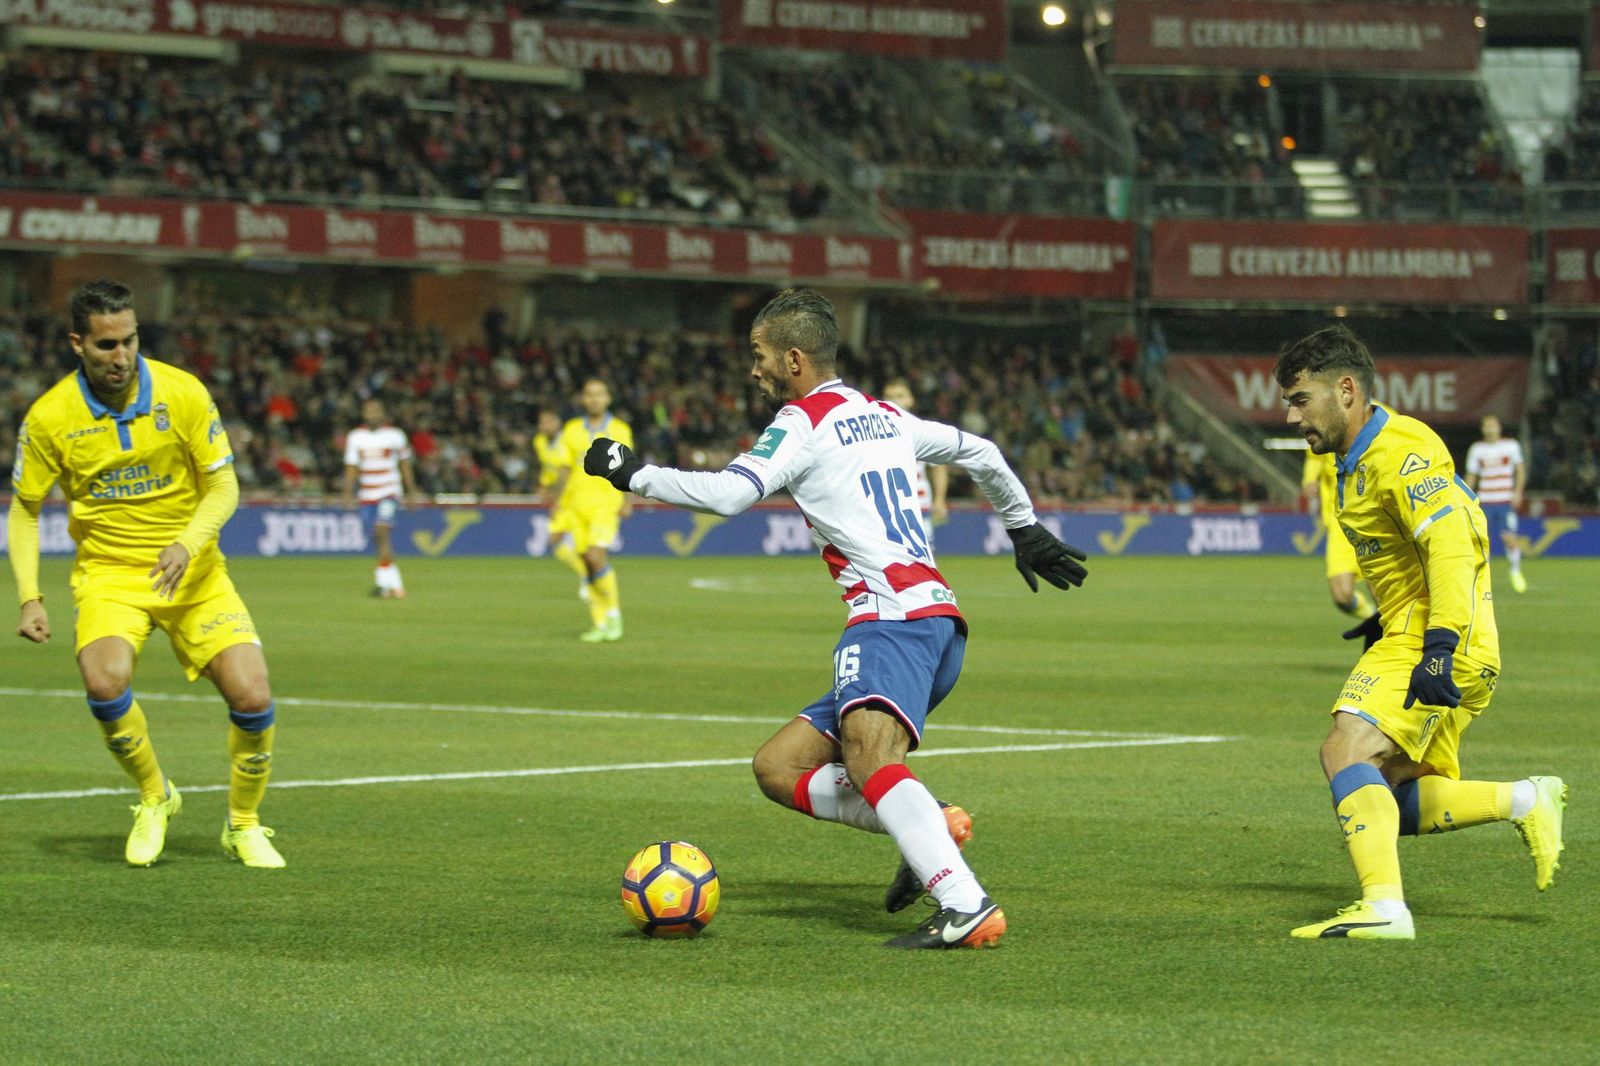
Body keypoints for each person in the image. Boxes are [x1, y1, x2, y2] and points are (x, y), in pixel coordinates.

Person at [582, 289, 1088, 948]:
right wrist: (1024, 528)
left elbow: (733, 494)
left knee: (872, 761)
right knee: (778, 768)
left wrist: (634, 473)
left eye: (760, 357)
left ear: (794, 359)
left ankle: (964, 902)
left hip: (889, 620)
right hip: (934, 622)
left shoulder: (802, 422)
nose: (754, 370)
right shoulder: (886, 416)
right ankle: (926, 822)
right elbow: (984, 453)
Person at [1273, 325, 1563, 940]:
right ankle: (1526, 799)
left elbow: (1452, 546)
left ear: (1346, 390)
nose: (1291, 415)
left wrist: (1437, 647)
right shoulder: (1352, 463)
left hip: (1440, 637)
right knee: (1388, 796)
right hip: (1419, 629)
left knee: (1344, 750)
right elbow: (1412, 554)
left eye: (1300, 399)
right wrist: (1389, 612)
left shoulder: (1402, 451)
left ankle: (1384, 907)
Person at [9, 279, 285, 868]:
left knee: (253, 695)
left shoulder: (182, 392)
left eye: (130, 340)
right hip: (111, 574)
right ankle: (155, 796)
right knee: (103, 682)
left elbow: (222, 484)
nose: (122, 356)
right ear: (77, 344)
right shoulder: (50, 417)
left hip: (195, 574)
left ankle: (243, 824)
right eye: (107, 345)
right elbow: (26, 510)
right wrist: (30, 596)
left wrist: (187, 543)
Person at [550, 379, 632, 642]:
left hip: (605, 503)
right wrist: (557, 500)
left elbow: (629, 465)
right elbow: (564, 467)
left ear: (608, 398)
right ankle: (599, 623)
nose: (595, 399)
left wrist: (628, 499)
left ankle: (614, 615)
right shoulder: (571, 429)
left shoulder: (619, 428)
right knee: (586, 564)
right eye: (590, 395)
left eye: (600, 394)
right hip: (576, 504)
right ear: (583, 399)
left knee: (596, 557)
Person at [1300, 447, 1380, 648]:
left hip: (1376, 521)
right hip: (1339, 523)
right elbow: (1315, 456)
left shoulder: (1388, 418)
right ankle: (1374, 619)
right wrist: (1309, 479)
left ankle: (1400, 644)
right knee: (1342, 596)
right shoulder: (1328, 421)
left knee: (1383, 593)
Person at [341, 398, 418, 599]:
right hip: (367, 495)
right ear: (363, 414)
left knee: (381, 530)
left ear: (383, 414)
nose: (373, 415)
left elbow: (404, 464)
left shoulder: (395, 435)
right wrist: (348, 493)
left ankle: (395, 586)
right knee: (378, 538)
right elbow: (352, 467)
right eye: (369, 411)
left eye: (376, 411)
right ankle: (386, 585)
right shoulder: (356, 437)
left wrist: (411, 492)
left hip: (389, 493)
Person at [1464, 414, 1528, 593]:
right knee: (1483, 541)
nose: (1490, 428)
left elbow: (1520, 470)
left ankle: (1515, 572)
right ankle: (1483, 578)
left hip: (1504, 501)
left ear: (1499, 427)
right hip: (1484, 502)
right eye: (1487, 425)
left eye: (1493, 424)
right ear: (1482, 429)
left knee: (1510, 538)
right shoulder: (1477, 449)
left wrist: (1518, 492)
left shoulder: (1511, 445)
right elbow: (1471, 476)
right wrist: (1466, 498)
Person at [534, 408, 591, 601]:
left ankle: (590, 576)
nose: (545, 426)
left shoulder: (568, 440)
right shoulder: (540, 442)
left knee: (571, 541)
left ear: (558, 423)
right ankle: (588, 575)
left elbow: (567, 472)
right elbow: (548, 469)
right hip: (561, 496)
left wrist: (554, 497)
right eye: (542, 422)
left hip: (576, 495)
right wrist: (543, 485)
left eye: (549, 421)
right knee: (557, 541)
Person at [881, 378, 949, 537]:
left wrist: (939, 500)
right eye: (889, 396)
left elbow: (938, 466)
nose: (893, 401)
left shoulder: (921, 430)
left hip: (918, 506)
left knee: (925, 558)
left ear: (910, 400)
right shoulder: (874, 431)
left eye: (899, 396)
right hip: (886, 508)